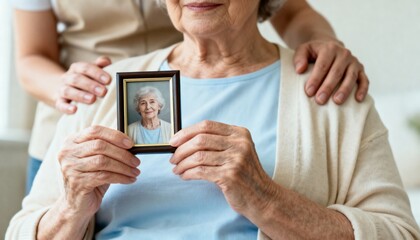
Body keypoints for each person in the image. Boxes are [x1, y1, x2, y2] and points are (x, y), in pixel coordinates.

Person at [7, 0, 420, 239]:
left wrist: (266, 199)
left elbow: (400, 234)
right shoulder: (101, 92)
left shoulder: (327, 92)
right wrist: (71, 208)